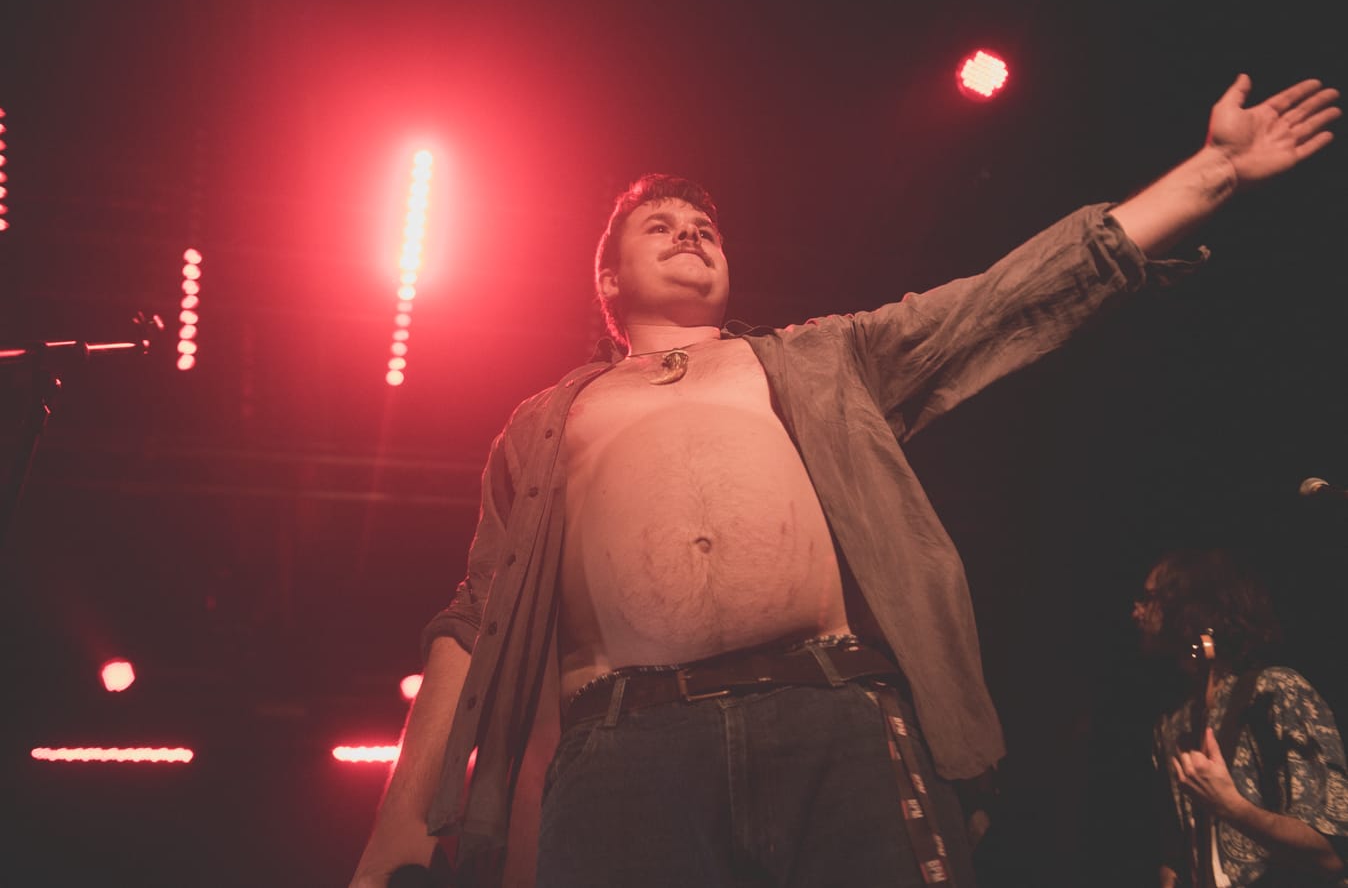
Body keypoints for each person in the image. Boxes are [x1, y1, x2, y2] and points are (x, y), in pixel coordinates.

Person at [351, 75, 1340, 888]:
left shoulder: (825, 358)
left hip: (833, 717)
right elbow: (475, 623)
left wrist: (1213, 171)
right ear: (606, 280)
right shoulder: (543, 422)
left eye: (705, 226)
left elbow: (1004, 298)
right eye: (660, 225)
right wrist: (398, 830)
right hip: (625, 748)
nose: (691, 233)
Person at [1135, 549, 1348, 887]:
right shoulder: (1170, 725)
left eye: (1150, 598)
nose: (1136, 611)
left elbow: (1332, 856)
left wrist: (1230, 806)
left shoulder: (1275, 692)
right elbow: (1176, 855)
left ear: (1189, 605)